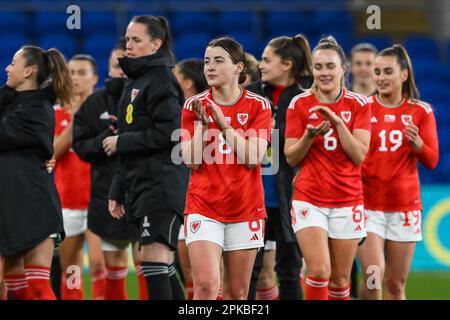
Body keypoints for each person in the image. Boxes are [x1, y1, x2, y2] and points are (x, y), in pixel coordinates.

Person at [104, 15, 188, 300]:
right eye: (127, 39)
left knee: (152, 258)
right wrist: (118, 188)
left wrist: (121, 141)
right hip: (142, 183)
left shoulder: (161, 79)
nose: (129, 45)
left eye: (136, 40)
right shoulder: (136, 79)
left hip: (161, 185)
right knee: (156, 264)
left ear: (156, 44)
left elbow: (170, 133)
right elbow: (132, 138)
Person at [181, 36, 272, 300]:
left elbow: (253, 157)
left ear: (238, 68)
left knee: (237, 293)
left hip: (245, 208)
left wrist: (224, 127)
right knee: (207, 285)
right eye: (207, 61)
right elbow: (191, 161)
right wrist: (201, 126)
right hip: (203, 206)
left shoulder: (258, 105)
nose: (209, 67)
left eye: (219, 61)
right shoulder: (193, 105)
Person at [284, 36, 371, 300]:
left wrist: (338, 124)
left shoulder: (359, 104)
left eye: (330, 66)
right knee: (320, 271)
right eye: (319, 67)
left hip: (347, 200)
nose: (324, 72)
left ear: (343, 69)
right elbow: (290, 157)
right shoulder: (299, 104)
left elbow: (359, 155)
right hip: (309, 199)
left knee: (340, 280)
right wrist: (309, 137)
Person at [357, 44, 439, 300]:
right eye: (377, 71)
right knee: (373, 277)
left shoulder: (420, 111)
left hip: (404, 208)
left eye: (387, 71)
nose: (380, 77)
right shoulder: (363, 108)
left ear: (403, 75)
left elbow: (432, 160)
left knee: (395, 285)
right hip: (368, 206)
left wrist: (418, 146)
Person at [72, 41, 145, 300]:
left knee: (149, 266)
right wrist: (107, 136)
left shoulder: (150, 96)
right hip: (105, 195)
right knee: (110, 267)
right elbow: (80, 147)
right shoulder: (93, 104)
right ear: (109, 68)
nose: (122, 70)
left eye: (127, 64)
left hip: (144, 194)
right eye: (117, 65)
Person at [0, 46, 73, 299]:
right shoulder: (14, 104)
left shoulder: (37, 110)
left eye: (13, 63)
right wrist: (8, 92)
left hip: (32, 204)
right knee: (16, 289)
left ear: (29, 71)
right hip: (10, 204)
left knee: (39, 288)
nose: (7, 68)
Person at [246, 35, 313, 300]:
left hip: (290, 195)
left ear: (286, 64)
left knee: (289, 270)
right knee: (249, 269)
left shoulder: (307, 96)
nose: (261, 65)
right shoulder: (251, 92)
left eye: (266, 59)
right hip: (252, 194)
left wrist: (277, 131)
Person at [54, 54, 106, 300]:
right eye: (71, 72)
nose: (75, 78)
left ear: (94, 78)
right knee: (71, 268)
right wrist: (75, 119)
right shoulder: (56, 113)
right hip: (67, 201)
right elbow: (52, 152)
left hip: (97, 198)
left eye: (81, 72)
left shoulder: (104, 112)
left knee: (98, 264)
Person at [173, 58, 208, 300]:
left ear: (186, 82)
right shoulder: (173, 111)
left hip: (205, 199)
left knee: (210, 276)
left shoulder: (209, 110)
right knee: (187, 272)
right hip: (179, 197)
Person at [348, 42, 378, 299]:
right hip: (344, 193)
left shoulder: (389, 103)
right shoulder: (341, 101)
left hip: (378, 198)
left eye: (369, 64)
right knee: (341, 273)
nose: (364, 69)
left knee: (376, 272)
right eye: (358, 63)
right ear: (350, 66)